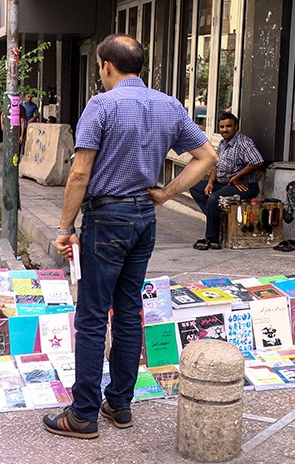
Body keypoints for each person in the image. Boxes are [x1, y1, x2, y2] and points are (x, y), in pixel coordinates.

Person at [42, 34, 217, 440]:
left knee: (90, 316)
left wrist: (65, 228)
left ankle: (82, 413)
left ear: (106, 65)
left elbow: (80, 172)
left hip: (107, 219)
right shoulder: (168, 104)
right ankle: (119, 403)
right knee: (127, 309)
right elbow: (208, 156)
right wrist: (166, 194)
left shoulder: (102, 105)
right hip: (143, 218)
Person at [189, 112, 265, 250]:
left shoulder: (244, 142)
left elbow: (257, 161)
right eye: (222, 127)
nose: (225, 130)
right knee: (195, 188)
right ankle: (218, 220)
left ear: (236, 127)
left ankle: (213, 238)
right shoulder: (223, 143)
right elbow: (216, 165)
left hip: (245, 186)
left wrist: (237, 177)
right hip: (223, 184)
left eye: (228, 126)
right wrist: (211, 182)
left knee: (214, 199)